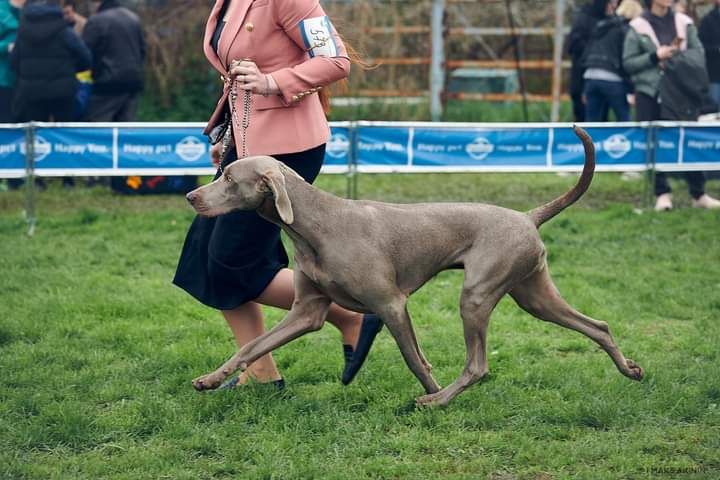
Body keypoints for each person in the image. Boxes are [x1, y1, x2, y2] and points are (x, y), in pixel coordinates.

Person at [173, 0, 383, 390]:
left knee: (229, 263)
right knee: (204, 259)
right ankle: (261, 372)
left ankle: (348, 313)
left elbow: (336, 61)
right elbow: (238, 76)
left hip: (286, 152)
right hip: (249, 147)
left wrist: (272, 82)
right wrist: (231, 136)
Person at [623, 0, 720, 210]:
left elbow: (699, 54)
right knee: (654, 144)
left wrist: (675, 55)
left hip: (681, 92)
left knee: (688, 140)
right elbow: (628, 63)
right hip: (650, 92)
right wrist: (654, 56)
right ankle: (662, 193)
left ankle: (699, 194)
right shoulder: (637, 25)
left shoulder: (684, 22)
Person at [82, 0, 144, 122]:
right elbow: (142, 50)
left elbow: (85, 54)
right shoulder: (133, 18)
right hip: (132, 83)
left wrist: (95, 74)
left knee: (97, 128)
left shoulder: (96, 21)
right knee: (125, 130)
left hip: (106, 84)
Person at [582, 0, 632, 122]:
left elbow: (586, 54)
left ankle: (588, 141)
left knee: (591, 123)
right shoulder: (623, 29)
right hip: (613, 79)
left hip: (591, 76)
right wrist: (631, 89)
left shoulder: (598, 27)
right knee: (624, 120)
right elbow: (626, 58)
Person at [567, 0, 609, 122]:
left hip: (603, 79)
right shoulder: (583, 18)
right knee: (583, 117)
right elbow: (573, 45)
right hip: (582, 78)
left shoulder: (610, 20)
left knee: (601, 118)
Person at [0, 0, 23, 123]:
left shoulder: (26, 10)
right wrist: (7, 46)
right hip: (3, 80)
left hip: (20, 81)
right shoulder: (1, 11)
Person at [699, 0, 720, 106]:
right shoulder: (708, 21)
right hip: (715, 75)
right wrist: (717, 50)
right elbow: (700, 47)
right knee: (713, 107)